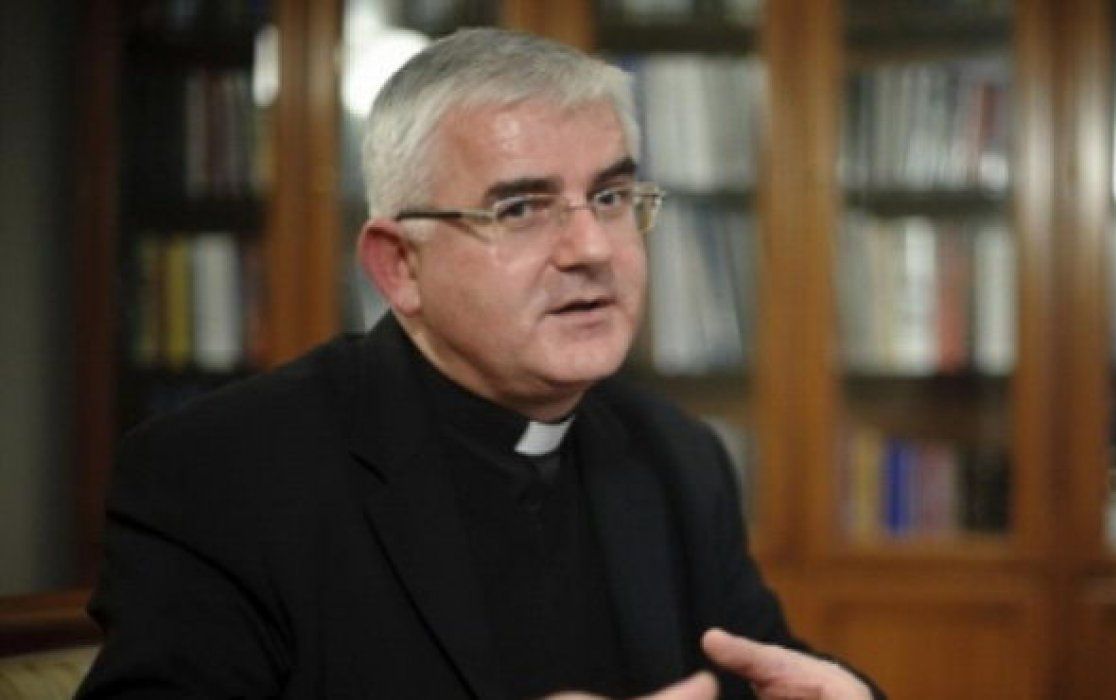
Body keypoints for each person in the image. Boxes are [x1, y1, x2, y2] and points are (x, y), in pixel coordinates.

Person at [77, 27, 879, 700]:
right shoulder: (220, 473)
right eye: (521, 208)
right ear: (400, 266)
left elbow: (769, 671)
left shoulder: (674, 454)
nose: (592, 248)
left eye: (610, 198)